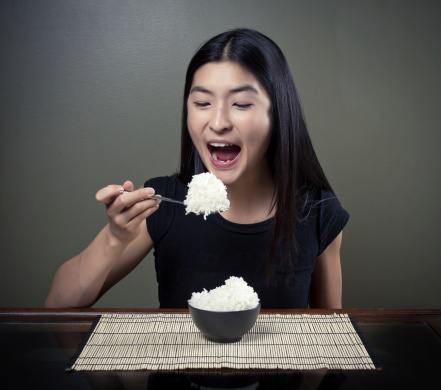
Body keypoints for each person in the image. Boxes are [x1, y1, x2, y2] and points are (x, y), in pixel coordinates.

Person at [45, 28, 349, 310]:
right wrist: (114, 236)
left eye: (241, 104)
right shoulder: (161, 202)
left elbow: (329, 335)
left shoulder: (319, 211)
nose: (217, 123)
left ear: (278, 114)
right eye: (202, 103)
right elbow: (58, 304)